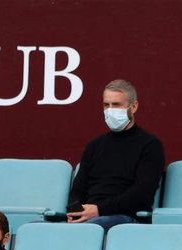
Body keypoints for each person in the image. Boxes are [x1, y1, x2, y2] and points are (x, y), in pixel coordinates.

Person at [67, 79, 165, 230]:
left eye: (116, 105)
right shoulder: (94, 146)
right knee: (36, 228)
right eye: (106, 105)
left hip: (125, 218)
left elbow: (141, 194)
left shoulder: (150, 145)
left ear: (133, 107)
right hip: (89, 218)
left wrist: (98, 210)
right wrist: (77, 211)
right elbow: (77, 190)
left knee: (89, 228)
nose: (110, 110)